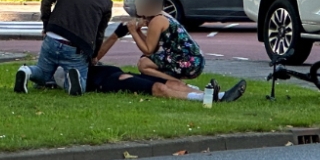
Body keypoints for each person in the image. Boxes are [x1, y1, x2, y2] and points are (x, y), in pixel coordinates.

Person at [14, 0, 114, 96]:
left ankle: (26, 72)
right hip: (77, 47)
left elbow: (46, 1)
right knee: (82, 84)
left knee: (43, 74)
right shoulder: (106, 2)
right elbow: (99, 34)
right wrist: (94, 55)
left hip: (53, 37)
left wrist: (47, 26)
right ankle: (73, 78)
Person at [92, 23, 246, 102]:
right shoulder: (79, 67)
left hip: (114, 72)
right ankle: (207, 99)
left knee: (175, 84)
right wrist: (117, 34)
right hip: (105, 79)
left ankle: (220, 96)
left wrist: (122, 32)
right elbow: (94, 60)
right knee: (159, 88)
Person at [52, 61, 246, 102]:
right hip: (111, 79)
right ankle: (213, 98)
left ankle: (214, 95)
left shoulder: (80, 58)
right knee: (158, 88)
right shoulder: (63, 73)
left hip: (120, 70)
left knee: (172, 83)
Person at [126, 0, 205, 82]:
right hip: (194, 60)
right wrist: (138, 31)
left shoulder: (157, 20)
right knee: (147, 60)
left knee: (144, 64)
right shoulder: (162, 16)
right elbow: (152, 47)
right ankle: (172, 82)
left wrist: (133, 32)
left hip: (189, 61)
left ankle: (177, 83)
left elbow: (148, 50)